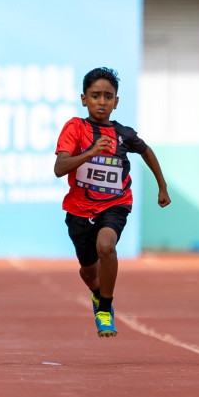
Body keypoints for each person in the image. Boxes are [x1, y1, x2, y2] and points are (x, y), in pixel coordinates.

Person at [53, 67, 171, 338]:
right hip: (78, 210)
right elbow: (60, 168)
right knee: (88, 272)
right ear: (84, 99)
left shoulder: (124, 134)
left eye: (108, 96)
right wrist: (91, 152)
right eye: (95, 96)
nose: (102, 102)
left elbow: (147, 152)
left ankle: (105, 309)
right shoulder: (75, 128)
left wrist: (161, 186)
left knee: (106, 246)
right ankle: (97, 293)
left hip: (114, 204)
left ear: (116, 102)